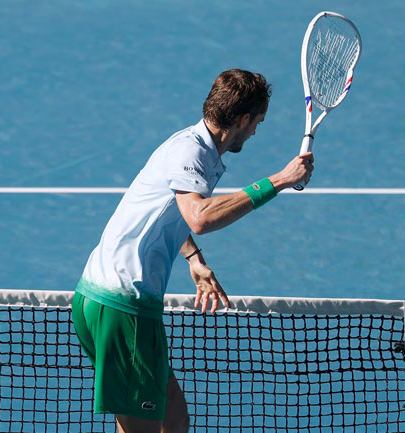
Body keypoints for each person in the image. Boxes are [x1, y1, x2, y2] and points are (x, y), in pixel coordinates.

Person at [71, 69, 314, 433]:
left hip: (110, 300)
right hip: (123, 305)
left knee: (174, 418)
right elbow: (198, 217)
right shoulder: (190, 151)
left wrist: (194, 258)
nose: (255, 132)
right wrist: (279, 181)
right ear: (243, 119)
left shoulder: (193, 147)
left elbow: (167, 209)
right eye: (257, 123)